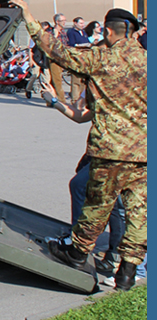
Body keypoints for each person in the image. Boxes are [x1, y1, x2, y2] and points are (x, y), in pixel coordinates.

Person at [11, 0, 147, 290]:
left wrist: (28, 16)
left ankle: (77, 253)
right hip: (145, 153)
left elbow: (57, 51)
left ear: (110, 32)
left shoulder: (101, 59)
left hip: (111, 151)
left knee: (98, 205)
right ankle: (127, 272)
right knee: (139, 212)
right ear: (133, 33)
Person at [39, 76, 125, 286]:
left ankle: (79, 245)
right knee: (110, 201)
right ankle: (111, 255)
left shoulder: (124, 87)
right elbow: (81, 115)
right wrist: (53, 101)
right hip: (103, 151)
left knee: (80, 185)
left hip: (123, 153)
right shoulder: (105, 86)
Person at [65, 17, 91, 101]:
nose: (83, 25)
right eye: (81, 23)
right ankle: (75, 99)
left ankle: (81, 99)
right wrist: (83, 45)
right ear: (75, 23)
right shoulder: (71, 32)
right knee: (76, 81)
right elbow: (72, 44)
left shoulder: (83, 32)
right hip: (76, 57)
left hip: (84, 58)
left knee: (83, 81)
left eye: (83, 23)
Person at [48, 13, 69, 101]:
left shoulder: (63, 31)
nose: (64, 22)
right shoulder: (51, 31)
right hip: (54, 59)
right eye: (62, 21)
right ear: (57, 22)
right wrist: (55, 35)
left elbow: (66, 44)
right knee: (57, 80)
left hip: (62, 58)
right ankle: (62, 100)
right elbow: (49, 44)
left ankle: (49, 99)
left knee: (55, 80)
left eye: (65, 20)